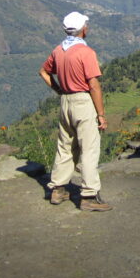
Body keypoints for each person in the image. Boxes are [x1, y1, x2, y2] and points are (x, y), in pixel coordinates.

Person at [39, 11, 112, 212]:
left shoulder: (58, 50)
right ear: (83, 29)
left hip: (65, 102)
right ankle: (88, 196)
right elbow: (94, 85)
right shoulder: (85, 52)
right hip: (82, 102)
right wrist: (101, 114)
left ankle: (58, 189)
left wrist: (59, 90)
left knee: (65, 145)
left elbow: (43, 72)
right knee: (89, 149)